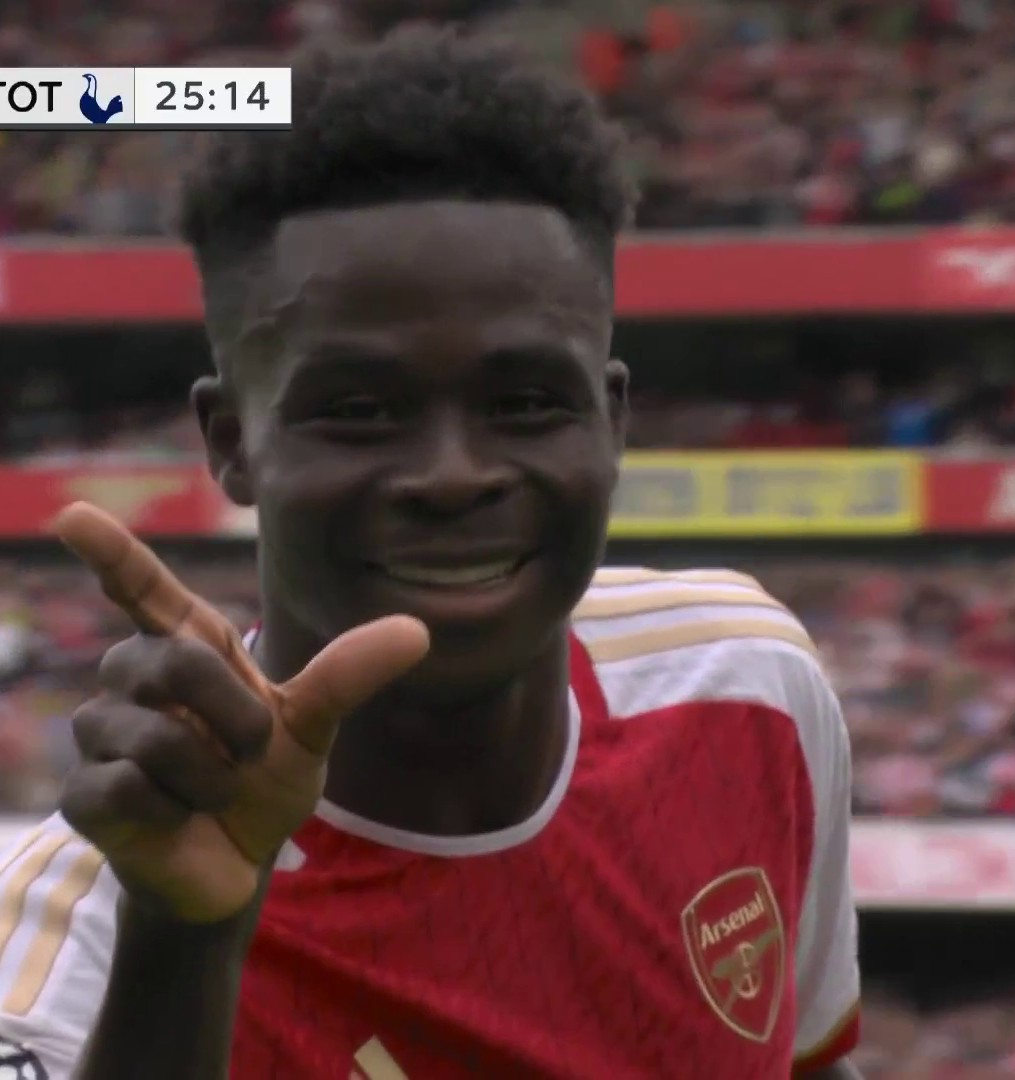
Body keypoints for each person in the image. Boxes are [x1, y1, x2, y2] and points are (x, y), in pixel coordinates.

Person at [0, 27, 861, 1080]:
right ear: (232, 442)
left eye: (528, 401)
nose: (453, 475)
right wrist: (185, 945)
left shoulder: (750, 689)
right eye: (359, 410)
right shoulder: (67, 947)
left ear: (613, 420)